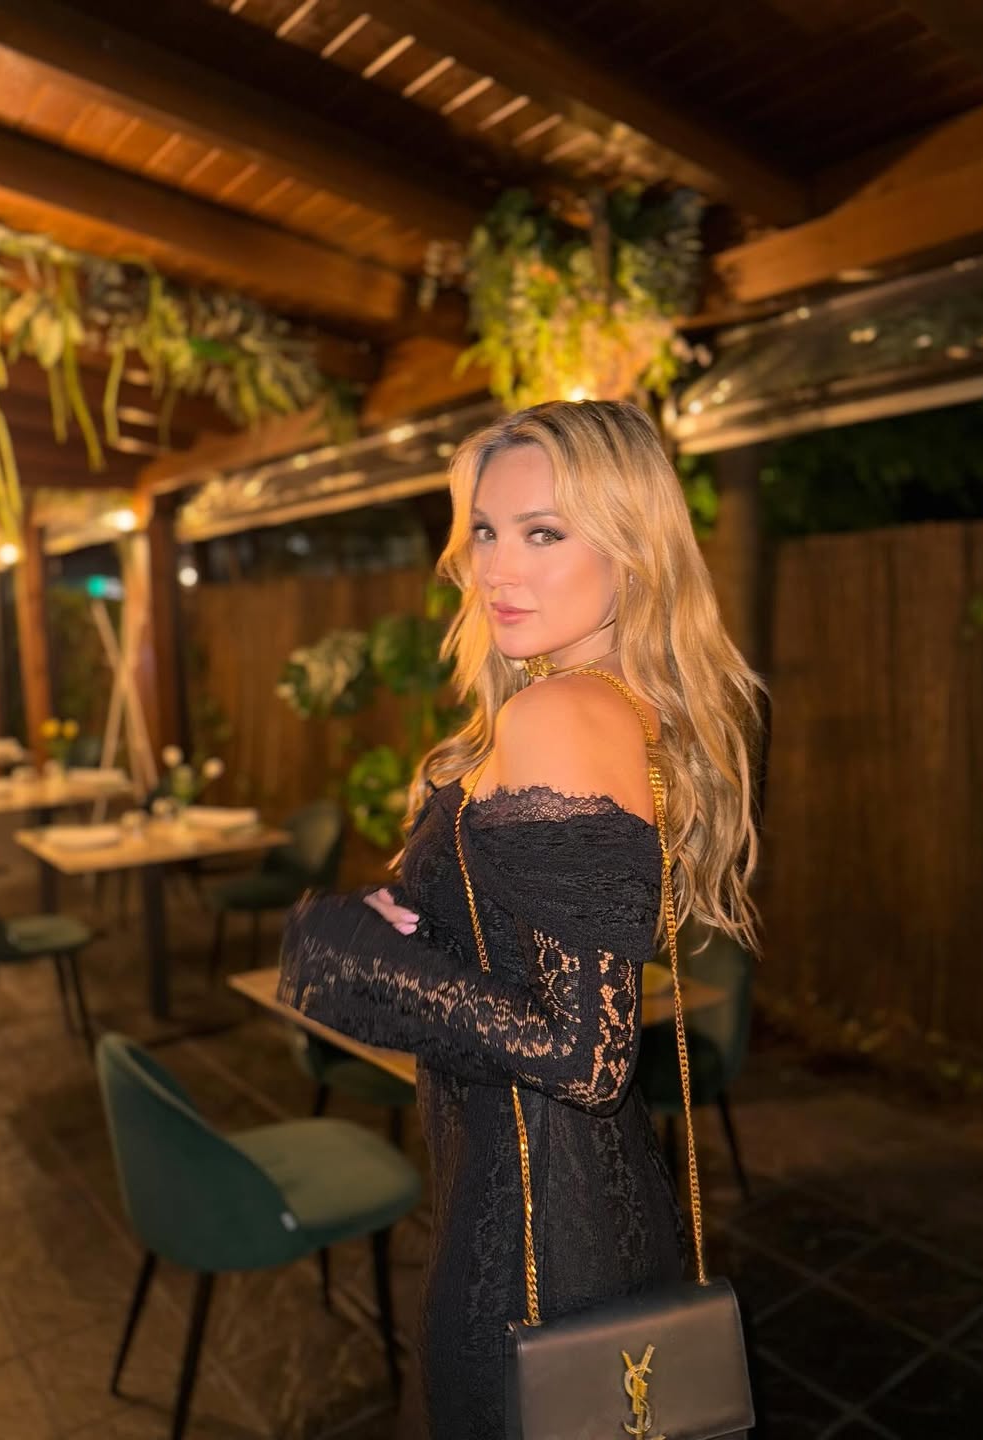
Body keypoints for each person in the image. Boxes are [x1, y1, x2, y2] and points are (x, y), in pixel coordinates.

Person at [278, 399, 766, 1438]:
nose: (497, 568)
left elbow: (584, 1050)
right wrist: (424, 930)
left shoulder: (562, 713)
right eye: (486, 532)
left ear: (632, 546)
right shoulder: (612, 702)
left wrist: (351, 960)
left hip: (533, 1243)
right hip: (579, 1209)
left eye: (543, 533)